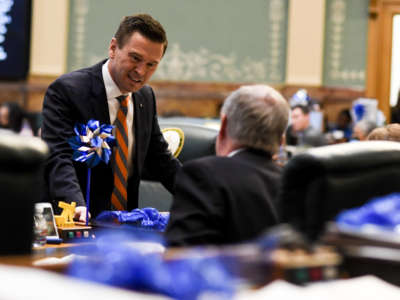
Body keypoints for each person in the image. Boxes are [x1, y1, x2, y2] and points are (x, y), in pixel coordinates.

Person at [41, 14, 181, 222]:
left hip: (125, 227)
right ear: (113, 48)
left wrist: (204, 195)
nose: (141, 71)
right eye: (135, 58)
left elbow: (160, 159)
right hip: (77, 222)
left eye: (151, 65)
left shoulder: (145, 97)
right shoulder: (68, 91)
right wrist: (76, 204)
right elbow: (58, 155)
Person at [165, 85, 290, 246]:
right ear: (281, 141)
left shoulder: (203, 175)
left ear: (223, 126)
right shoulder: (293, 186)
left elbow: (181, 257)